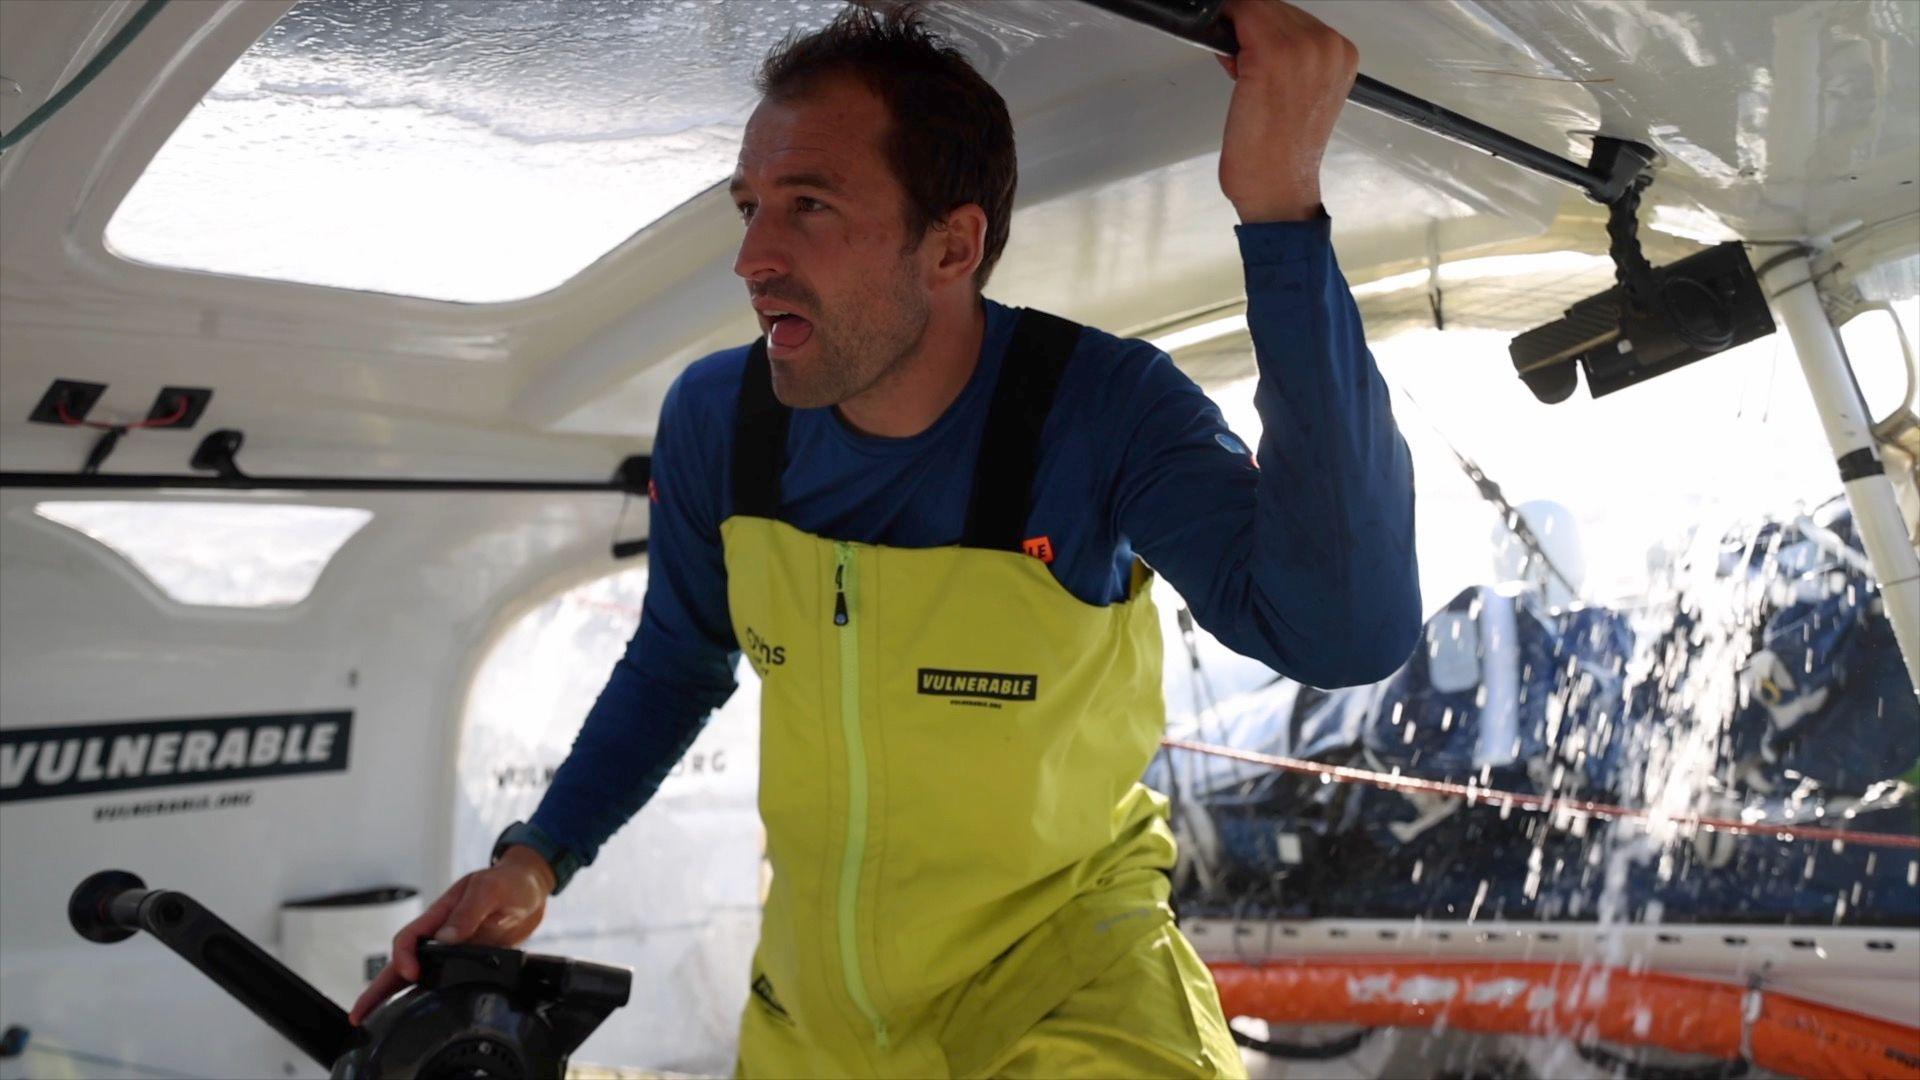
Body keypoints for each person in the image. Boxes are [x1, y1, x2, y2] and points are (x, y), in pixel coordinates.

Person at [353, 1, 1420, 1074]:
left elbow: (1341, 632)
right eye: (750, 206)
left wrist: (1279, 215)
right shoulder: (717, 421)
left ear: (952, 245)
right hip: (813, 1019)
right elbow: (679, 659)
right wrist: (535, 859)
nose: (752, 257)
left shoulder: (1103, 409)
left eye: (808, 205)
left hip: (1069, 995)